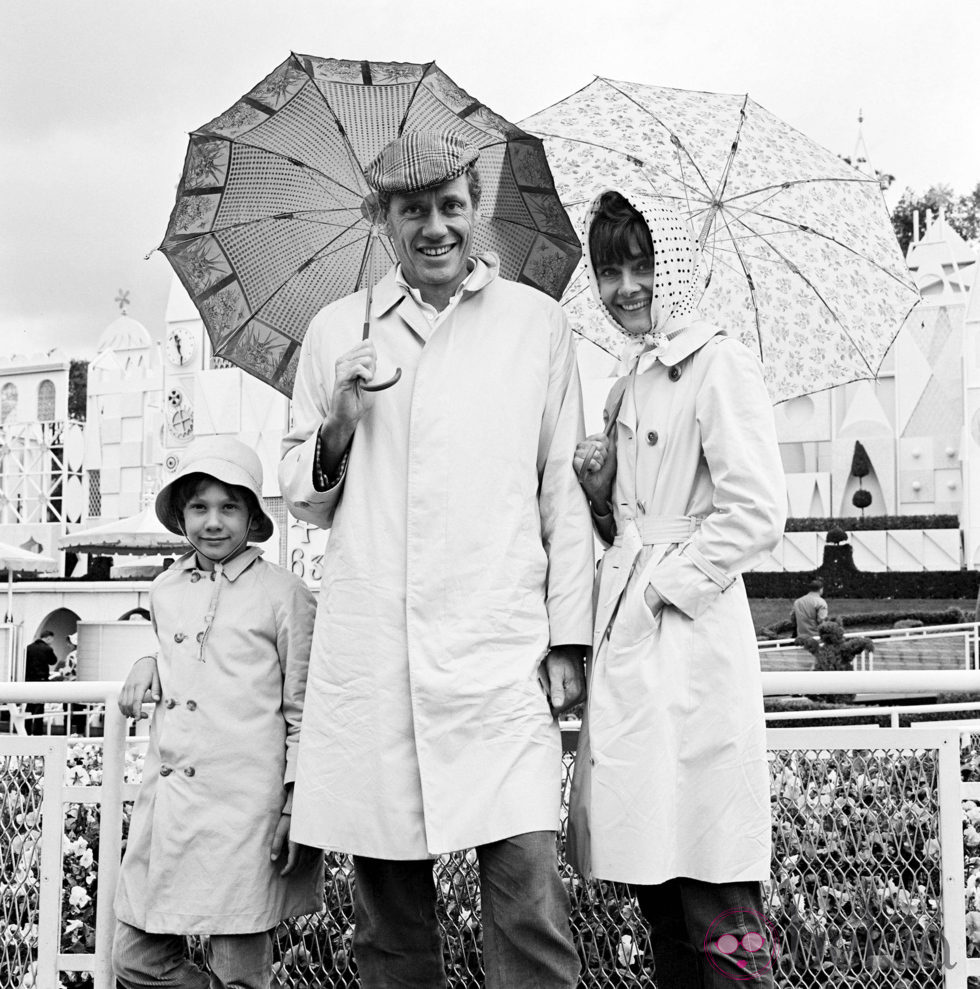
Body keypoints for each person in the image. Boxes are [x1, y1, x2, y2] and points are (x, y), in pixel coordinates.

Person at [279, 131, 595, 989]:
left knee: (530, 908)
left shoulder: (537, 325)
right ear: (382, 220)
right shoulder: (337, 331)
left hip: (502, 654)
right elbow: (301, 498)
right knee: (390, 931)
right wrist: (339, 420)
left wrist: (570, 640)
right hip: (379, 660)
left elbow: (562, 497)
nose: (435, 227)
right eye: (412, 209)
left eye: (450, 206)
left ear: (477, 208)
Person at [570, 189, 786, 987]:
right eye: (608, 270)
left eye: (641, 266)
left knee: (714, 882)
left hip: (690, 646)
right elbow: (627, 524)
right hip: (634, 644)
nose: (625, 287)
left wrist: (668, 584)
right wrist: (600, 491)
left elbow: (759, 507)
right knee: (656, 881)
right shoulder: (626, 384)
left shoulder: (719, 361)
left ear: (677, 270)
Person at [112, 437, 322, 989]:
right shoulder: (162, 588)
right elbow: (180, 656)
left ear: (253, 516)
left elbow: (304, 709)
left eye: (229, 507)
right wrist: (146, 660)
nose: (213, 522)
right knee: (133, 960)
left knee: (242, 974)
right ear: (181, 514)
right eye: (199, 507)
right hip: (172, 805)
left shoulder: (285, 593)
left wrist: (294, 803)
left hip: (246, 813)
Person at [24, 630, 58, 734]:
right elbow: (53, 661)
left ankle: (26, 729)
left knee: (29, 705)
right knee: (39, 706)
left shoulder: (29, 648)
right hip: (42, 680)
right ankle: (37, 731)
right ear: (48, 638)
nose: (52, 641)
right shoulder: (47, 649)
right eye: (51, 639)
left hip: (29, 680)